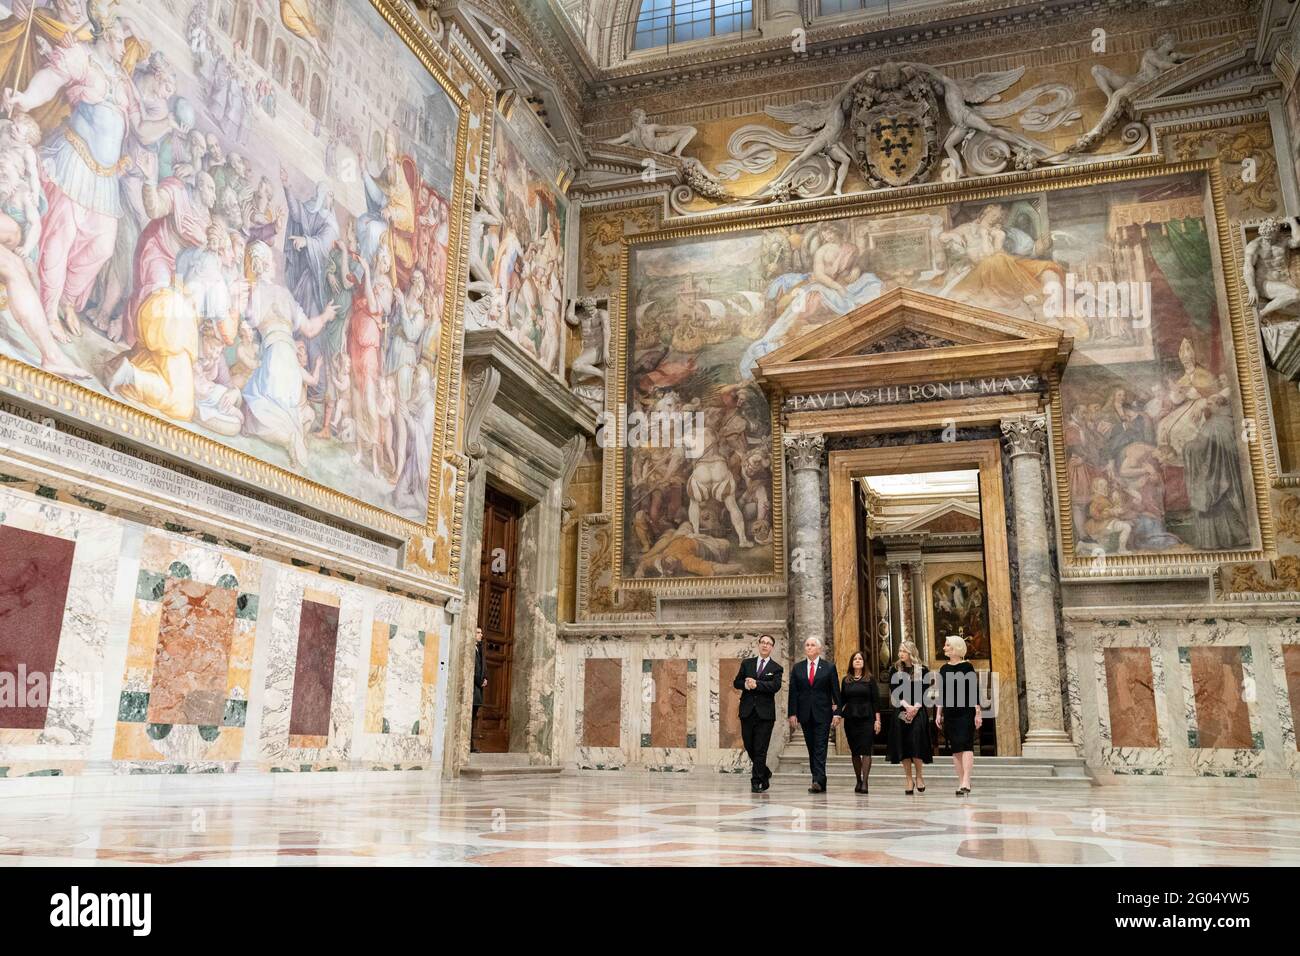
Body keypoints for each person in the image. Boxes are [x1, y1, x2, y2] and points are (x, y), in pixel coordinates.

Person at [787, 635, 840, 793]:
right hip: (805, 714)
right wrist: (792, 713)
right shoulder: (798, 668)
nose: (809, 647)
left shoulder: (829, 667)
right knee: (811, 747)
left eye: (812, 645)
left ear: (819, 649)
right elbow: (793, 693)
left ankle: (817, 780)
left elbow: (835, 692)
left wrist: (837, 713)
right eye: (807, 645)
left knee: (820, 747)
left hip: (823, 714)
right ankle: (819, 779)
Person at [732, 633, 783, 793]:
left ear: (772, 647)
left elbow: (775, 686)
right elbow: (736, 682)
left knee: (761, 748)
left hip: (765, 715)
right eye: (763, 642)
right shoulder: (747, 663)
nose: (765, 645)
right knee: (749, 745)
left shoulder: (776, 668)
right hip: (747, 712)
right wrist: (746, 685)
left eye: (768, 643)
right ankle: (765, 772)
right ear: (758, 645)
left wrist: (757, 685)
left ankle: (756, 781)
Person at [936, 635, 981, 796]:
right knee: (956, 747)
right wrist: (938, 713)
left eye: (947, 645)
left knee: (966, 744)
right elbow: (941, 693)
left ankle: (967, 780)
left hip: (965, 711)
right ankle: (960, 781)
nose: (944, 648)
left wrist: (978, 712)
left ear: (955, 647)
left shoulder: (967, 667)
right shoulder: (943, 669)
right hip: (950, 712)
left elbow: (973, 691)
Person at [887, 640, 933, 794]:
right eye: (900, 651)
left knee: (917, 743)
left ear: (911, 653)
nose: (901, 654)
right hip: (901, 709)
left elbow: (925, 692)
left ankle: (919, 775)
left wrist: (915, 707)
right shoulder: (895, 670)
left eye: (904, 651)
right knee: (903, 745)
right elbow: (894, 692)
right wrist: (907, 706)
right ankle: (908, 778)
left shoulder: (923, 670)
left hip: (918, 710)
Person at [839, 651, 880, 794]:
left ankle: (866, 782)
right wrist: (836, 713)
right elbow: (841, 700)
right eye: (855, 659)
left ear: (864, 662)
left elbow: (876, 701)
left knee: (866, 750)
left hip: (867, 718)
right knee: (855, 751)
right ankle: (858, 780)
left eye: (860, 659)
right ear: (851, 662)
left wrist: (877, 721)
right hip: (851, 719)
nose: (857, 661)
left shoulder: (870, 679)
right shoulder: (846, 680)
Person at [470, 626, 487, 753]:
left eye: (481, 633)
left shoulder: (479, 649)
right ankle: (469, 746)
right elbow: (472, 668)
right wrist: (480, 681)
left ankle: (471, 745)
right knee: (469, 717)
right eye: (478, 632)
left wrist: (485, 678)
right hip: (473, 688)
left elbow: (482, 666)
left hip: (477, 689)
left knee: (473, 717)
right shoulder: (471, 649)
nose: (481, 635)